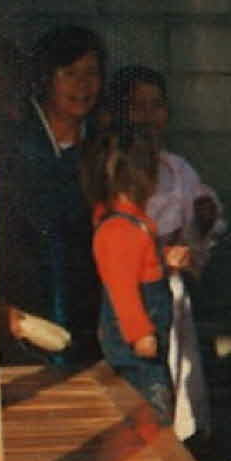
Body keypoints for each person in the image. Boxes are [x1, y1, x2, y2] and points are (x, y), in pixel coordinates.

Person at [100, 65, 223, 443]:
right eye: (137, 106)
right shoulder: (114, 169)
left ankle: (180, 445)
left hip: (170, 292)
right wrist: (157, 253)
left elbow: (201, 223)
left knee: (175, 378)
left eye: (156, 106)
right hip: (135, 297)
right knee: (144, 383)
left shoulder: (177, 168)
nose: (148, 116)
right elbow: (118, 241)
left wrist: (202, 223)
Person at [0, 25, 107, 365]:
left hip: (86, 300)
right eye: (69, 73)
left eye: (91, 73)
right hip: (27, 299)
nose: (82, 85)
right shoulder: (13, 143)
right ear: (45, 78)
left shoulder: (103, 144)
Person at [80, 127, 186, 423]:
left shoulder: (137, 223)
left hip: (149, 339)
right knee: (148, 409)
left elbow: (140, 267)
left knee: (156, 402)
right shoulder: (119, 230)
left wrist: (164, 261)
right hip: (135, 346)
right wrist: (139, 333)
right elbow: (122, 290)